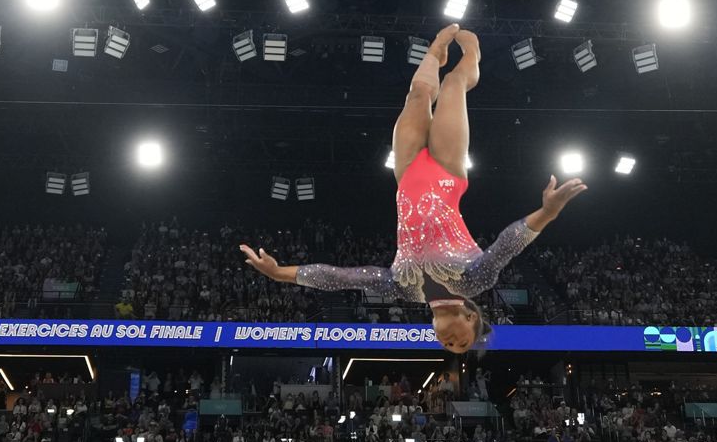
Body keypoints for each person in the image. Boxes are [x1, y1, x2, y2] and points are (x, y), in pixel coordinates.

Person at [240, 24, 588, 354]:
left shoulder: (403, 289)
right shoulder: (473, 284)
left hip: (406, 175)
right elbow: (506, 246)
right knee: (452, 85)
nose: (451, 343)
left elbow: (340, 277)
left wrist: (279, 273)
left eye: (447, 347)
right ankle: (472, 61)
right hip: (448, 173)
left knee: (418, 95)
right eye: (462, 343)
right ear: (471, 318)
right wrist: (548, 212)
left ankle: (435, 52)